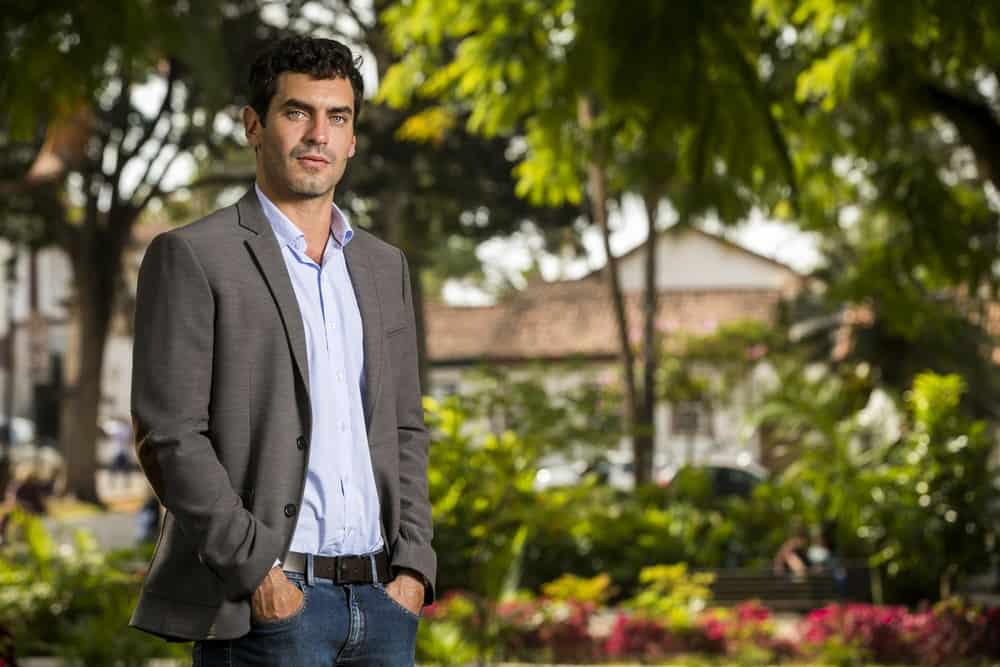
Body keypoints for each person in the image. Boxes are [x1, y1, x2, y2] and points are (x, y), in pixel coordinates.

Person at [129, 36, 435, 666]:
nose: (319, 134)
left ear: (353, 138)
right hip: (268, 610)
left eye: (337, 117)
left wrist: (413, 569)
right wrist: (260, 575)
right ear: (254, 125)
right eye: (298, 112)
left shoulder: (384, 268)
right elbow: (170, 436)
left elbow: (405, 427)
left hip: (384, 605)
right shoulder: (194, 256)